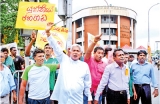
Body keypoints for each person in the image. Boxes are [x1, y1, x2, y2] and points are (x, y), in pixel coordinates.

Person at [45, 22, 92, 104]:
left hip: (77, 99)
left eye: (78, 51)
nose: (75, 52)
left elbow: (87, 83)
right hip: (64, 99)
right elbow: (56, 47)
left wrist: (89, 98)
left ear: (81, 54)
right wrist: (48, 33)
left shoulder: (84, 66)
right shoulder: (64, 60)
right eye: (74, 50)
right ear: (70, 52)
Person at [25, 31, 59, 104]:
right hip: (37, 92)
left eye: (49, 48)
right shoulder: (39, 58)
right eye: (46, 48)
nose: (47, 49)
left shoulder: (56, 60)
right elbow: (27, 53)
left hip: (51, 88)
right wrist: (32, 41)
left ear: (52, 50)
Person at [84, 34, 107, 104]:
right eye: (99, 53)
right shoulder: (89, 60)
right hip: (87, 91)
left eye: (102, 53)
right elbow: (88, 52)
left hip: (98, 92)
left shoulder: (105, 64)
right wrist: (94, 42)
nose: (100, 55)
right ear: (94, 53)